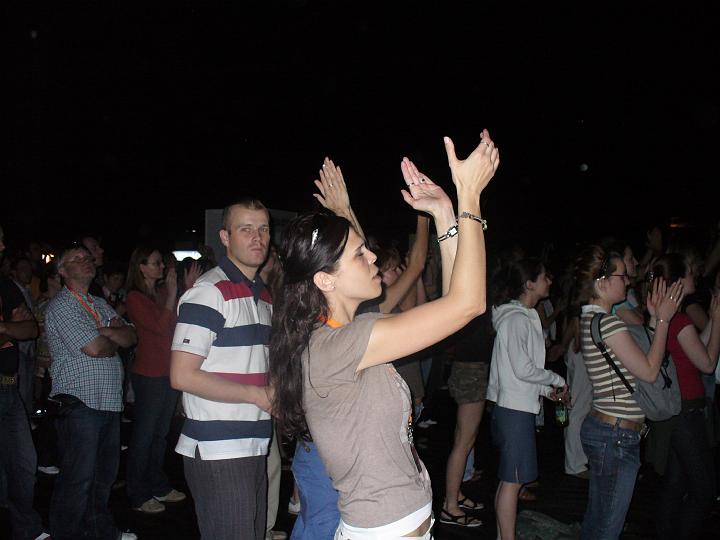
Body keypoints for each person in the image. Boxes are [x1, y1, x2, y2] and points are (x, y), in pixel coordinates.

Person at [270, 130, 500, 539]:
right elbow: (467, 304)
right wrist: (469, 195)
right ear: (325, 280)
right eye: (360, 254)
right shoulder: (340, 345)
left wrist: (444, 213)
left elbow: (456, 303)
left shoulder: (346, 334)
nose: (373, 255)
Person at [287, 156, 431, 540]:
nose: (377, 264)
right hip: (329, 455)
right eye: (361, 255)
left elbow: (355, 274)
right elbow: (416, 270)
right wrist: (437, 212)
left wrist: (345, 213)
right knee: (318, 526)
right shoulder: (338, 337)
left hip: (359, 455)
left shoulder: (355, 321)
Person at [170, 198, 274, 540]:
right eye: (246, 229)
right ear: (225, 237)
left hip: (253, 442)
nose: (257, 237)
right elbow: (182, 375)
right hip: (219, 448)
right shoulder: (209, 292)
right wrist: (256, 395)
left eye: (263, 229)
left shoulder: (263, 296)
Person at [573, 245, 682, 540]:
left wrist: (653, 320)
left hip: (607, 429)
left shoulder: (591, 319)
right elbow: (649, 371)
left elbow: (641, 359)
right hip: (616, 435)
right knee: (607, 528)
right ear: (602, 282)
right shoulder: (608, 323)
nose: (628, 281)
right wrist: (663, 320)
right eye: (622, 276)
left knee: (597, 521)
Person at [46, 243, 138, 540]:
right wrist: (110, 334)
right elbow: (96, 348)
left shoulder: (98, 303)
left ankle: (101, 532)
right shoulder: (62, 305)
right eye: (77, 258)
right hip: (80, 402)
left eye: (87, 257)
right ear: (62, 271)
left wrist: (106, 332)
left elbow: (130, 336)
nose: (85, 260)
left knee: (102, 478)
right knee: (78, 479)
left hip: (108, 401)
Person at [487, 257, 567, 539]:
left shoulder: (518, 317)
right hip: (514, 412)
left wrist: (547, 391)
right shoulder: (516, 319)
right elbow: (522, 369)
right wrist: (556, 380)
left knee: (509, 481)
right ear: (529, 284)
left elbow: (515, 373)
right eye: (545, 276)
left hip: (513, 408)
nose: (550, 280)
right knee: (513, 483)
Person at [651, 254, 720, 539]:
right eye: (690, 272)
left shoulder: (670, 320)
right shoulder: (678, 321)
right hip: (685, 412)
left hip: (677, 412)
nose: (696, 276)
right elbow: (708, 363)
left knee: (675, 485)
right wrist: (718, 319)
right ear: (678, 281)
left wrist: (713, 320)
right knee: (705, 490)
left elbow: (696, 347)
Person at [124, 247, 187, 514]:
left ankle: (156, 483)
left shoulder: (159, 294)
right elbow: (160, 327)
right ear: (141, 267)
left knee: (159, 435)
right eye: (156, 263)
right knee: (145, 435)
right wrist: (172, 294)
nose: (162, 267)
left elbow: (177, 322)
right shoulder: (135, 298)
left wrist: (181, 291)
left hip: (167, 371)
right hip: (149, 373)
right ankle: (138, 492)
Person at [0, 225, 49, 540]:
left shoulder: (5, 286)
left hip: (8, 387)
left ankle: (25, 527)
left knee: (23, 461)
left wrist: (5, 327)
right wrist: (9, 326)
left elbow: (31, 329)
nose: (3, 246)